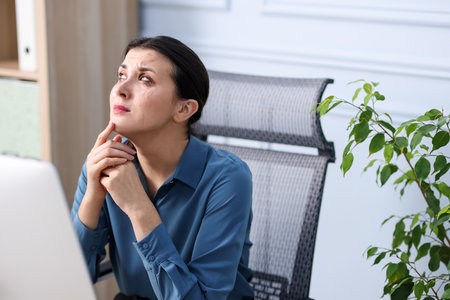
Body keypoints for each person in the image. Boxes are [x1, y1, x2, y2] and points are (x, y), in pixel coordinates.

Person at [71, 36, 254, 300]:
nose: (121, 89)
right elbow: (69, 280)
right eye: (121, 75)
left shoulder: (227, 178)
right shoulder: (104, 163)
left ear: (183, 109)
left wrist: (138, 207)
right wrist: (93, 194)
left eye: (145, 79)